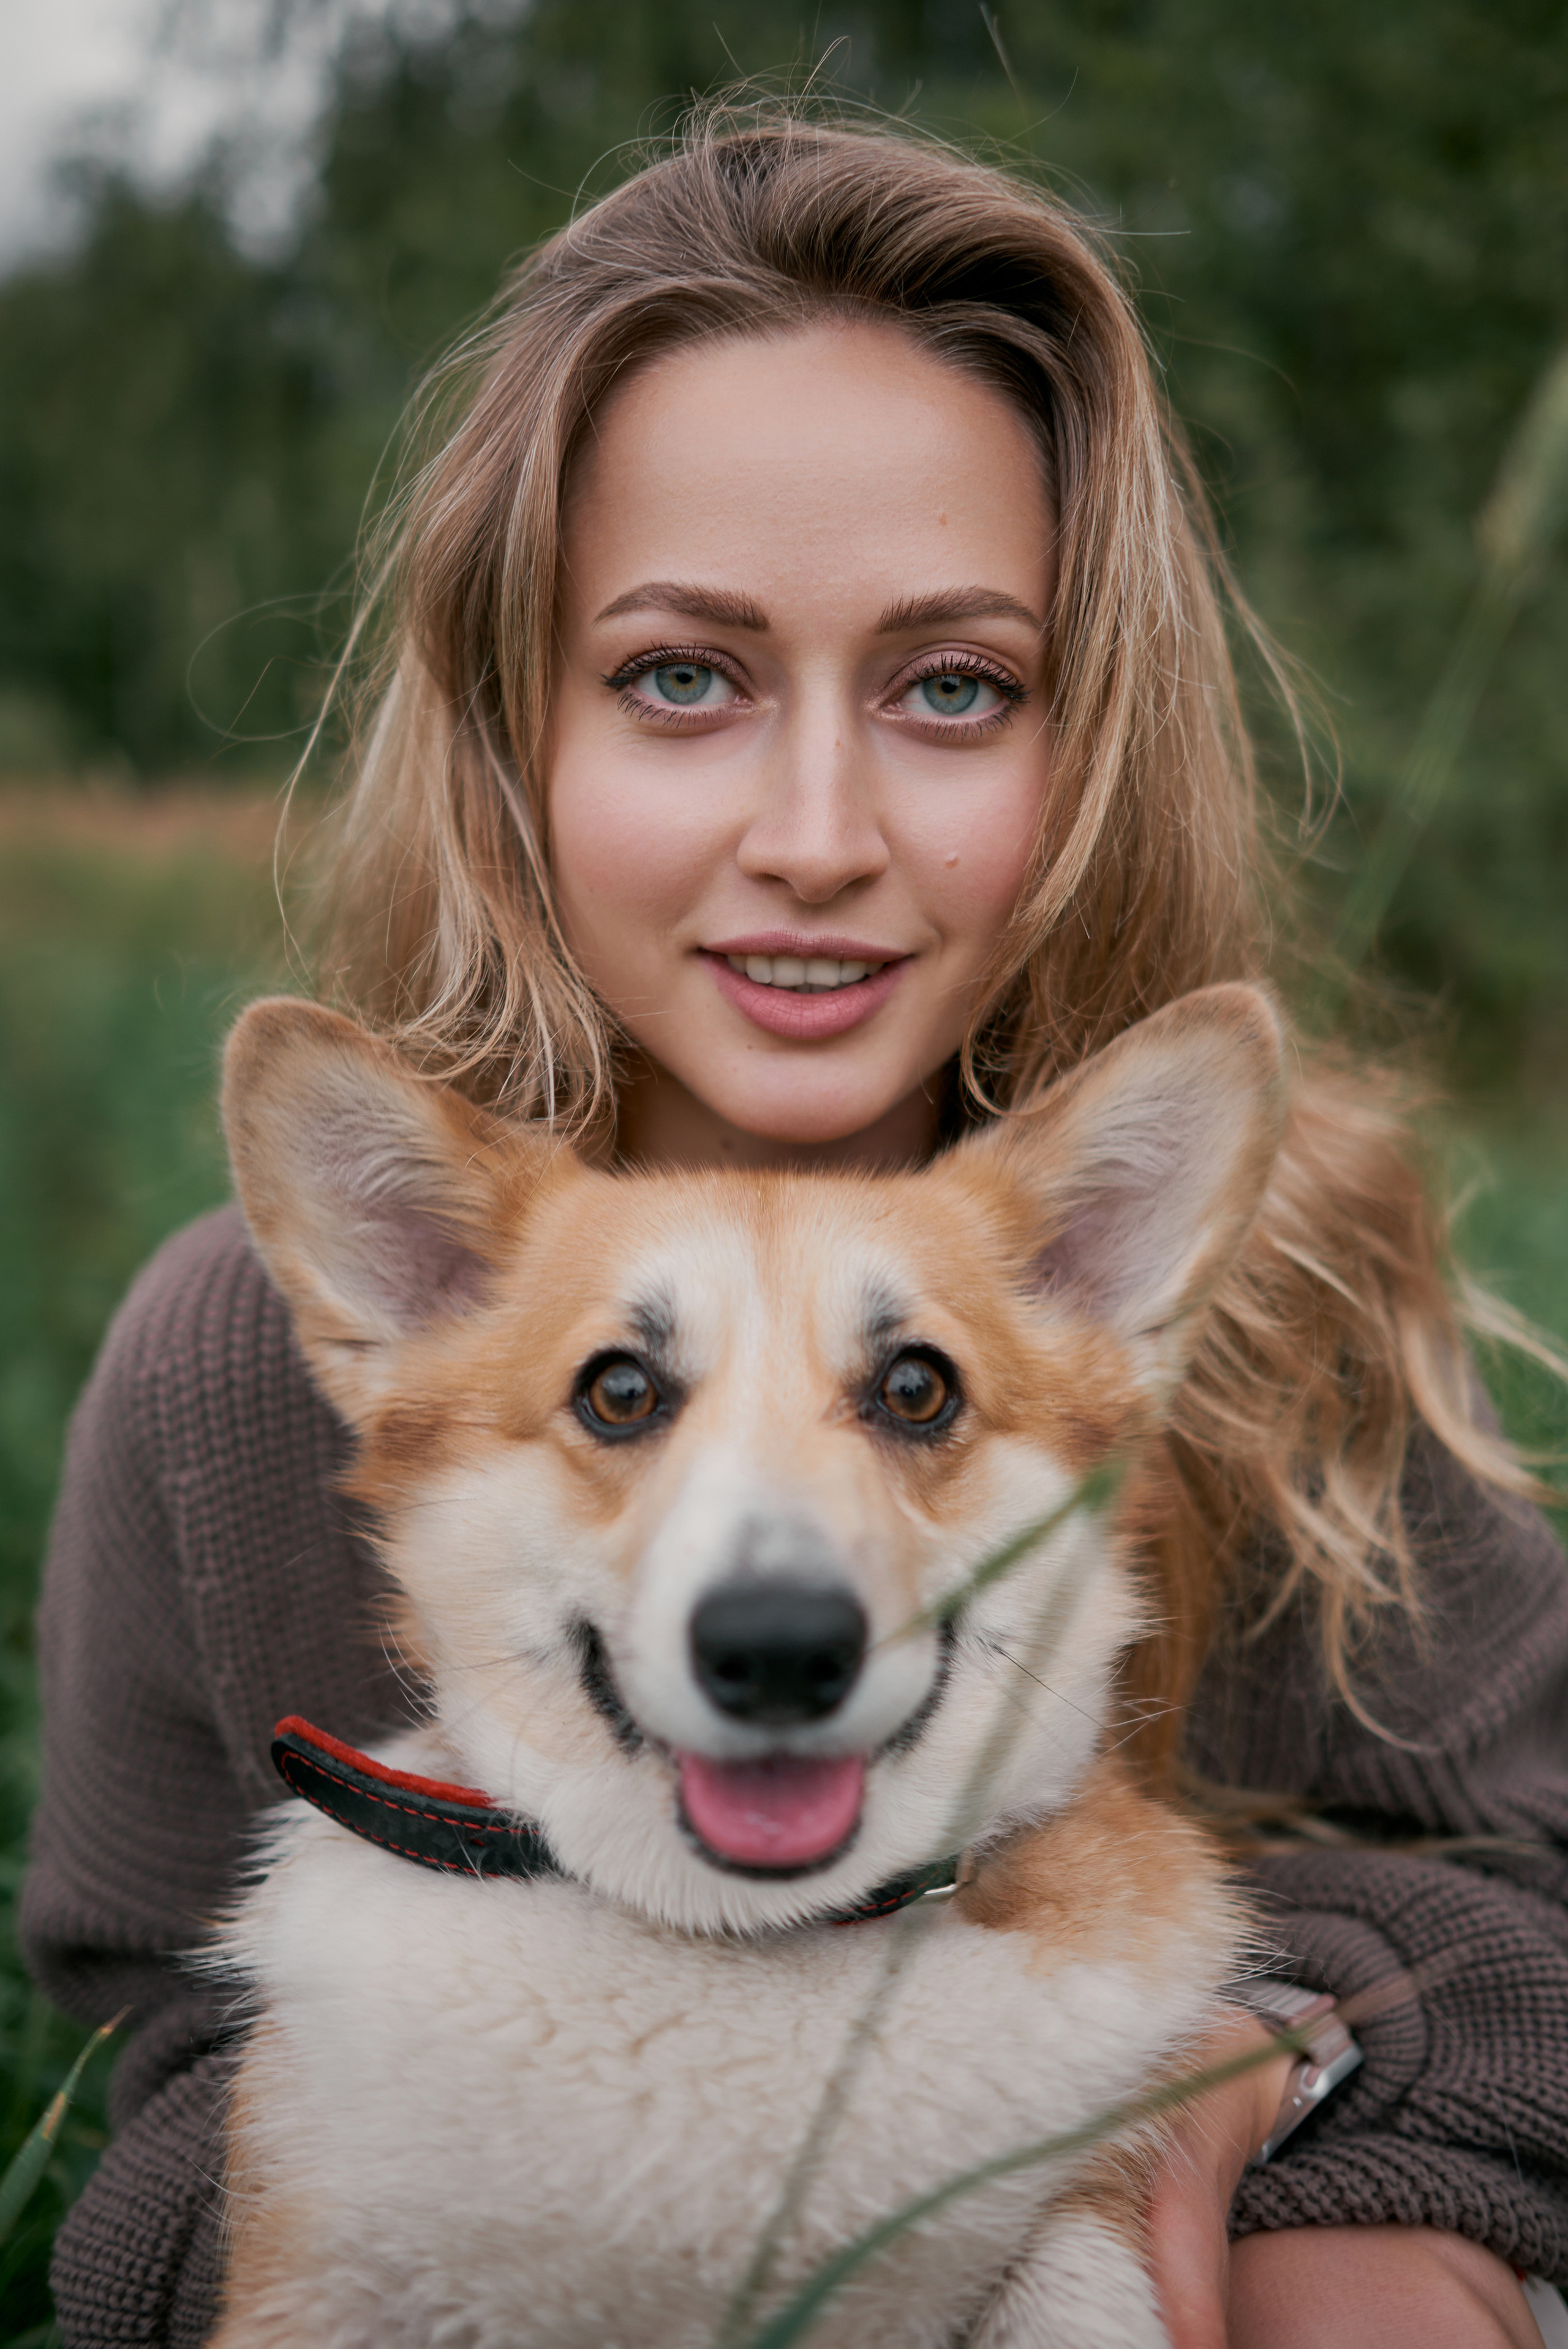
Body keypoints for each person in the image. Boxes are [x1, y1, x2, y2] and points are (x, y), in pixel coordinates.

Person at [21, 105, 1567, 2349]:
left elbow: (1528, 1876)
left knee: (1356, 2299)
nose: (819, 832)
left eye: (954, 684)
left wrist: (1244, 2061)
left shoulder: (1267, 1277)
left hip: (1143, 2158)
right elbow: (151, 2045)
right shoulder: (240, 1355)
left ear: (1090, 740)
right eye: (683, 675)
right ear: (515, 729)